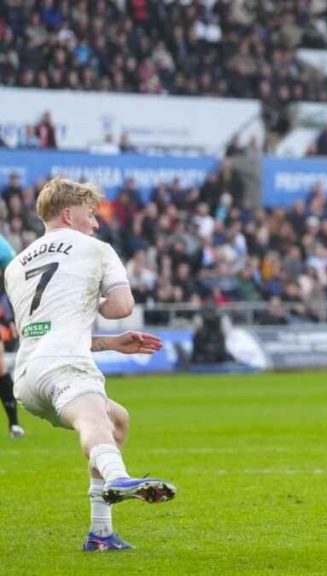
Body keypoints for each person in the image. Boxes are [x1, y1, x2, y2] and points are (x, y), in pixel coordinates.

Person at [4, 178, 177, 552]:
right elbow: (121, 307)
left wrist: (109, 344)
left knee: (117, 420)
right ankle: (119, 476)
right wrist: (96, 306)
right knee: (94, 418)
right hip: (65, 365)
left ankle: (101, 534)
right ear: (69, 213)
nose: (96, 224)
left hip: (29, 377)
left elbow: (49, 330)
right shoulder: (95, 249)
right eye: (90, 214)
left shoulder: (16, 265)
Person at [0, 234, 24, 437]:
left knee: (0, 367)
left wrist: (9, 317)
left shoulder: (3, 247)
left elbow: (11, 284)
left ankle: (14, 423)